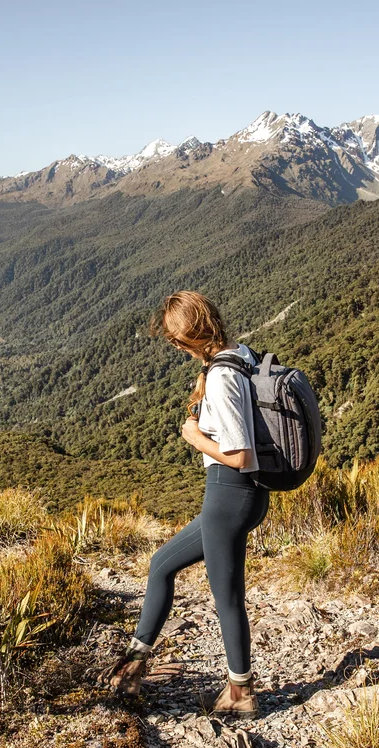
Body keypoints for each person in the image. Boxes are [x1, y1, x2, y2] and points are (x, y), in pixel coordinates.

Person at [97, 291, 270, 717]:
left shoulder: (222, 376)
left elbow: (241, 455)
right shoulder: (239, 354)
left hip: (230, 494)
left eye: (176, 340)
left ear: (189, 336)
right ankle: (134, 665)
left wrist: (193, 437)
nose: (175, 348)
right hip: (237, 498)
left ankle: (241, 693)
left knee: (226, 596)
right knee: (161, 564)